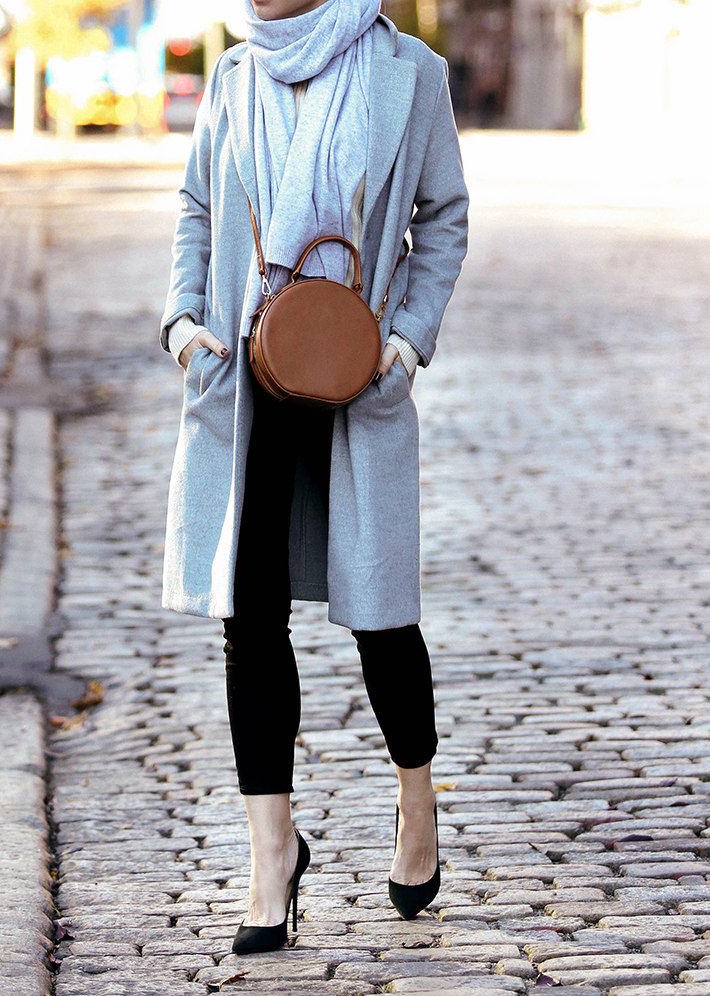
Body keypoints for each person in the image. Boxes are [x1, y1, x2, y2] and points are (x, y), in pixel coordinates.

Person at [160, 0, 468, 956]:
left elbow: (443, 218)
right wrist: (181, 324)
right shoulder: (235, 75)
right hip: (244, 382)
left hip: (352, 376)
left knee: (382, 617)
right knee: (248, 614)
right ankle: (272, 854)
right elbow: (199, 208)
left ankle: (417, 806)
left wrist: (406, 344)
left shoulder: (407, 73)